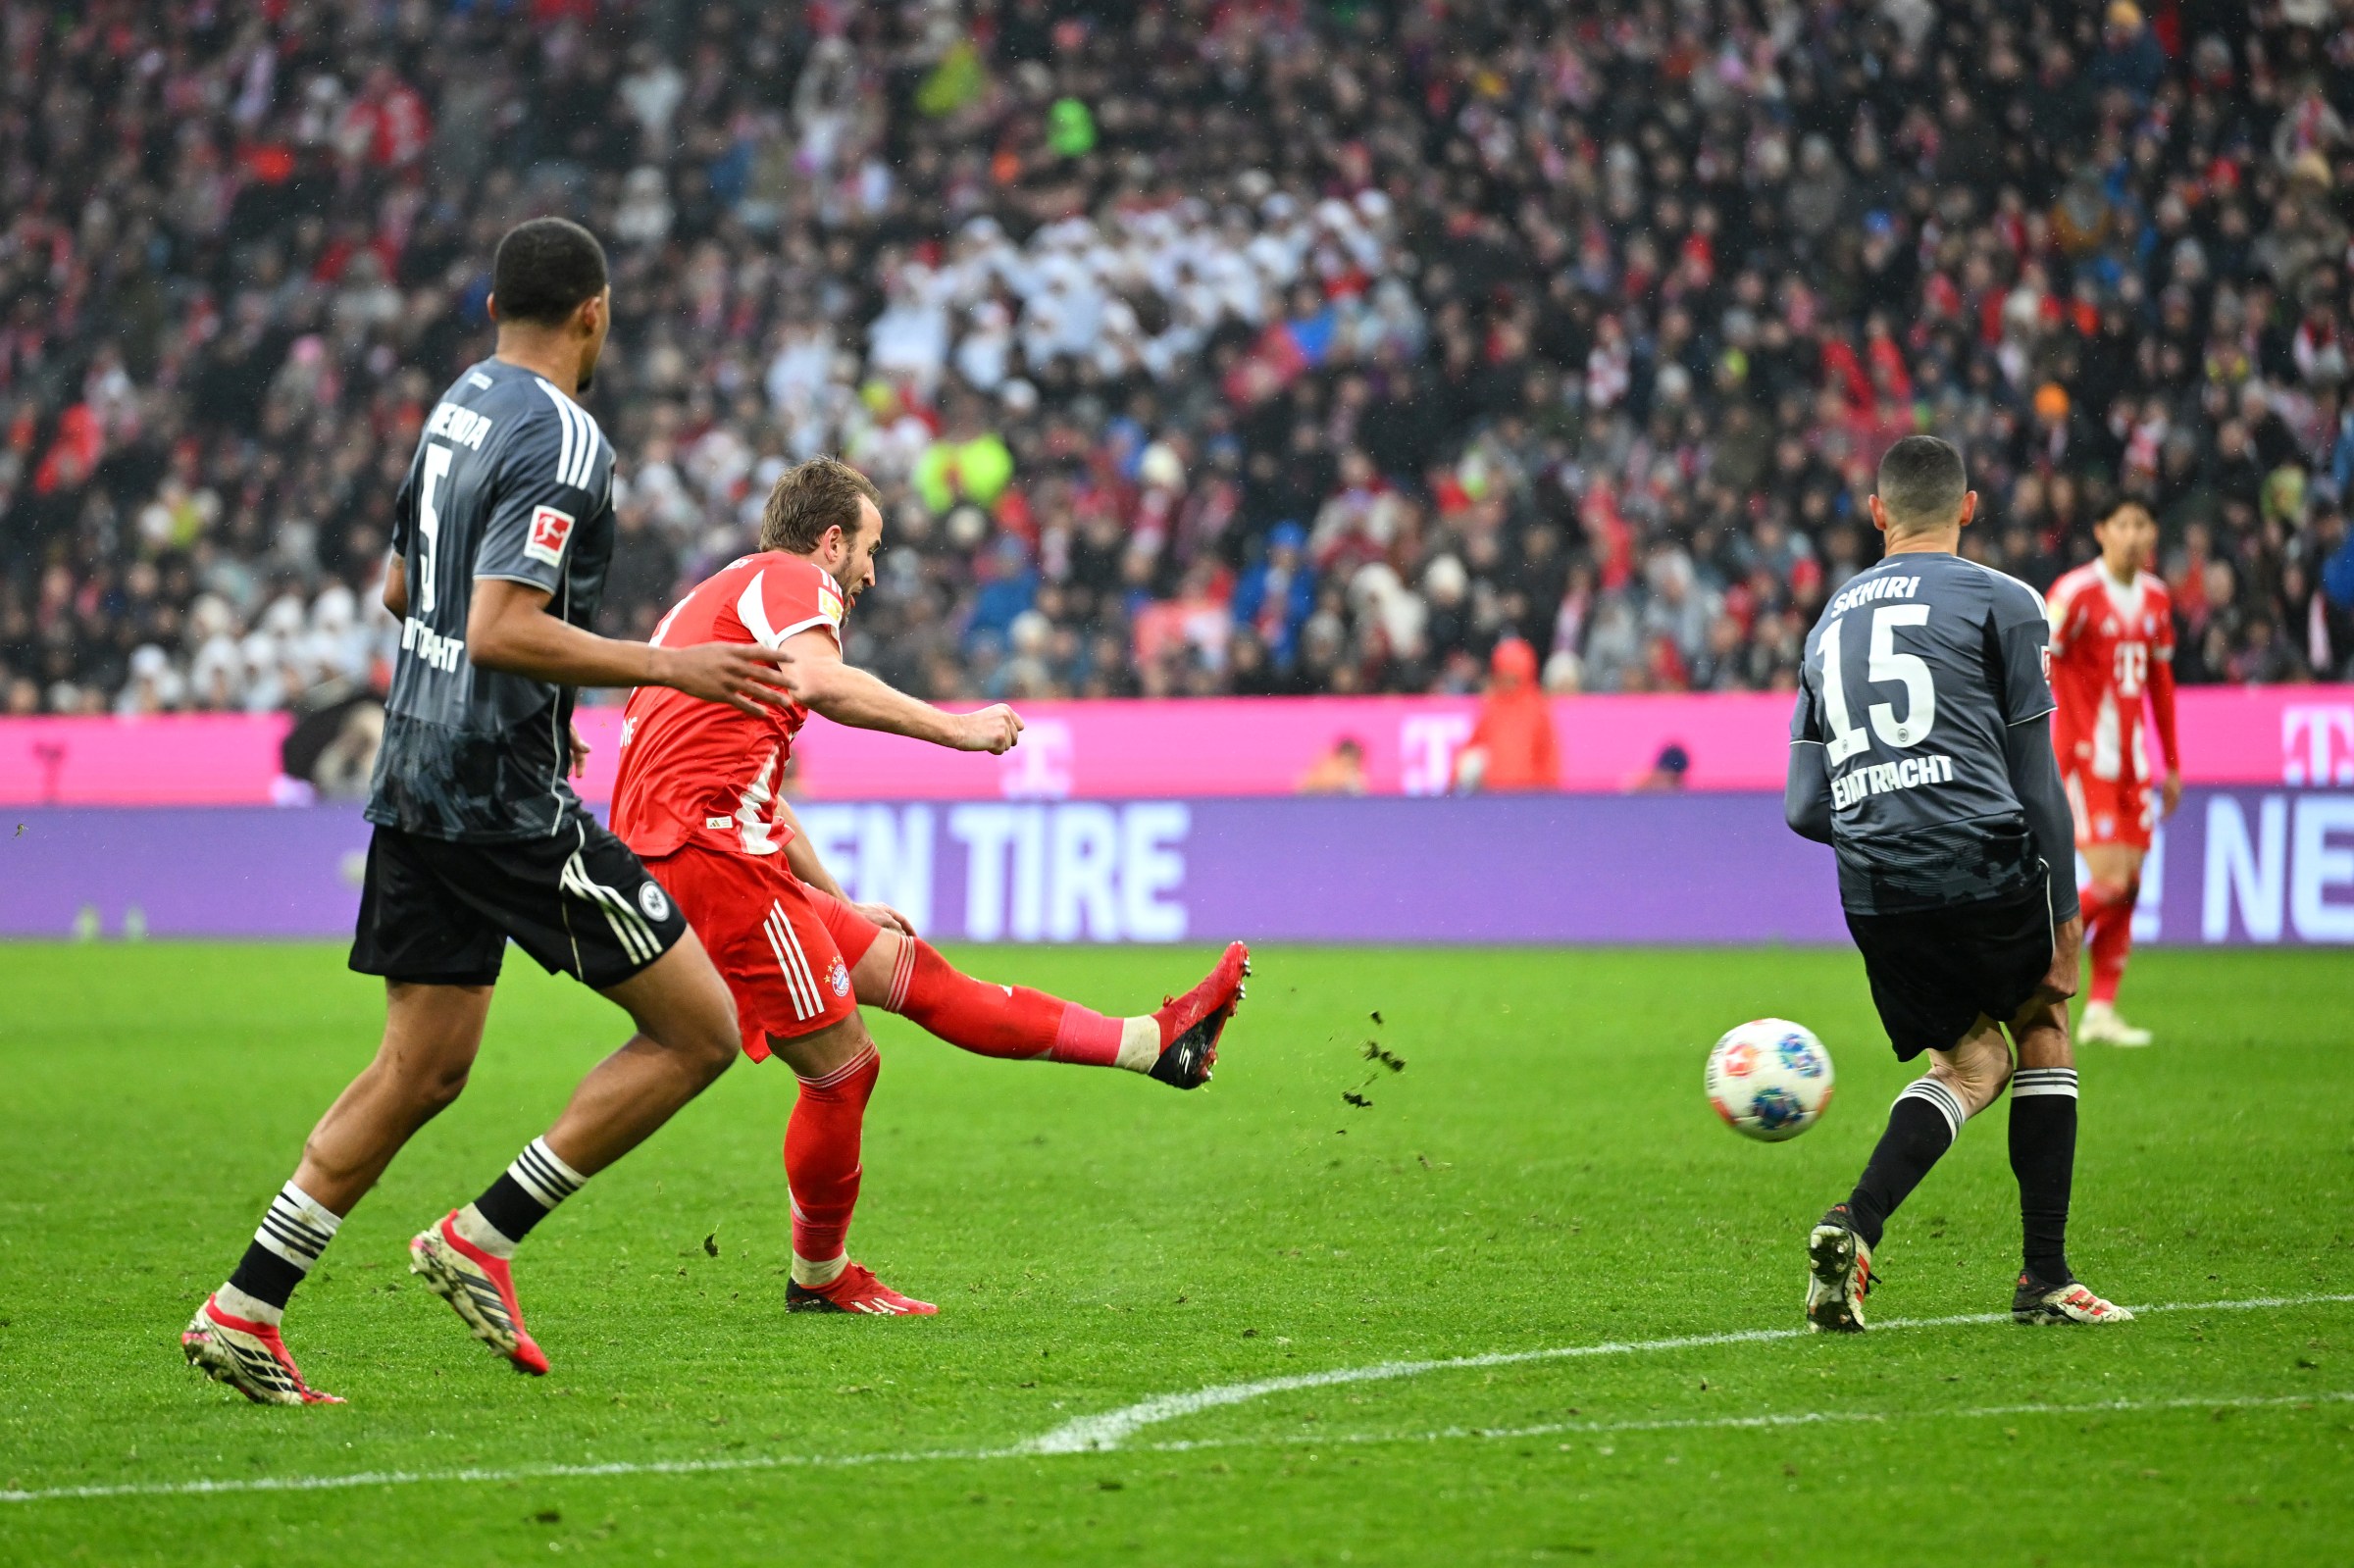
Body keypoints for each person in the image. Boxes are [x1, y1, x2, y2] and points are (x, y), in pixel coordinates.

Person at [181, 219, 796, 1404]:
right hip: (495, 796)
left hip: (413, 771)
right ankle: (483, 1234)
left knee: (422, 1066)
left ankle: (244, 1307)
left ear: (492, 305)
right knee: (701, 1031)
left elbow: (403, 585)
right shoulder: (565, 439)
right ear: (594, 313)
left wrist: (524, 677)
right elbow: (500, 625)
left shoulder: (459, 403)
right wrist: (677, 669)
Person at [609, 457, 1251, 1314]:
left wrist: (834, 897)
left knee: (914, 971)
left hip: (713, 845)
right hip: (706, 860)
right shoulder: (794, 581)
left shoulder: (726, 594)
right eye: (870, 549)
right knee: (843, 1070)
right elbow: (822, 684)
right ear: (830, 541)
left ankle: (1153, 1042)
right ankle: (819, 1277)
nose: (872, 572)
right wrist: (960, 728)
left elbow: (748, 783)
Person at [1785, 435, 2130, 1333]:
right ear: (1969, 508)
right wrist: (2065, 917)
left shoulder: (1825, 624)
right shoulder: (2005, 601)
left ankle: (1853, 1223)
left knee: (1969, 1060)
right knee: (2042, 1025)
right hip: (1980, 856)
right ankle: (2044, 1277)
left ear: (1876, 513)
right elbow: (2037, 780)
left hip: (1873, 883)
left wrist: (1883, 812)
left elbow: (1799, 805)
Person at [2046, 503, 2180, 1046]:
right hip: (2086, 759)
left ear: (2152, 533)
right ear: (2101, 531)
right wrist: (2052, 746)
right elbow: (2040, 659)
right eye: (2121, 525)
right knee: (2112, 881)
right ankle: (2042, 947)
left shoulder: (2156, 597)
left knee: (2131, 887)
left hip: (2134, 764)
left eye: (2141, 525)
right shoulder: (2075, 591)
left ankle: (2101, 1010)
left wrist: (2172, 761)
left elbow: (2160, 685)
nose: (2131, 535)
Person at [1452, 638, 1560, 791]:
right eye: (1504, 677)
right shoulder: (1492, 707)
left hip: (1528, 795)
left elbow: (1548, 756)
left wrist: (1548, 792)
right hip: (1494, 794)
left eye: (1513, 678)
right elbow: (1473, 748)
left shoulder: (1537, 709)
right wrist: (1457, 777)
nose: (1508, 683)